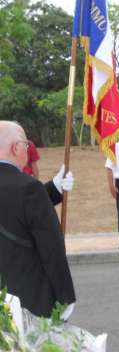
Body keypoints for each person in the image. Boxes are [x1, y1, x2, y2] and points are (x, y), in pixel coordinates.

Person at [0, 121, 75, 318]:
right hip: (27, 298)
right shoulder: (28, 188)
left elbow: (12, 212)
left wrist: (53, 188)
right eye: (26, 144)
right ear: (16, 148)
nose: (27, 148)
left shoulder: (29, 190)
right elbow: (51, 247)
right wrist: (65, 297)